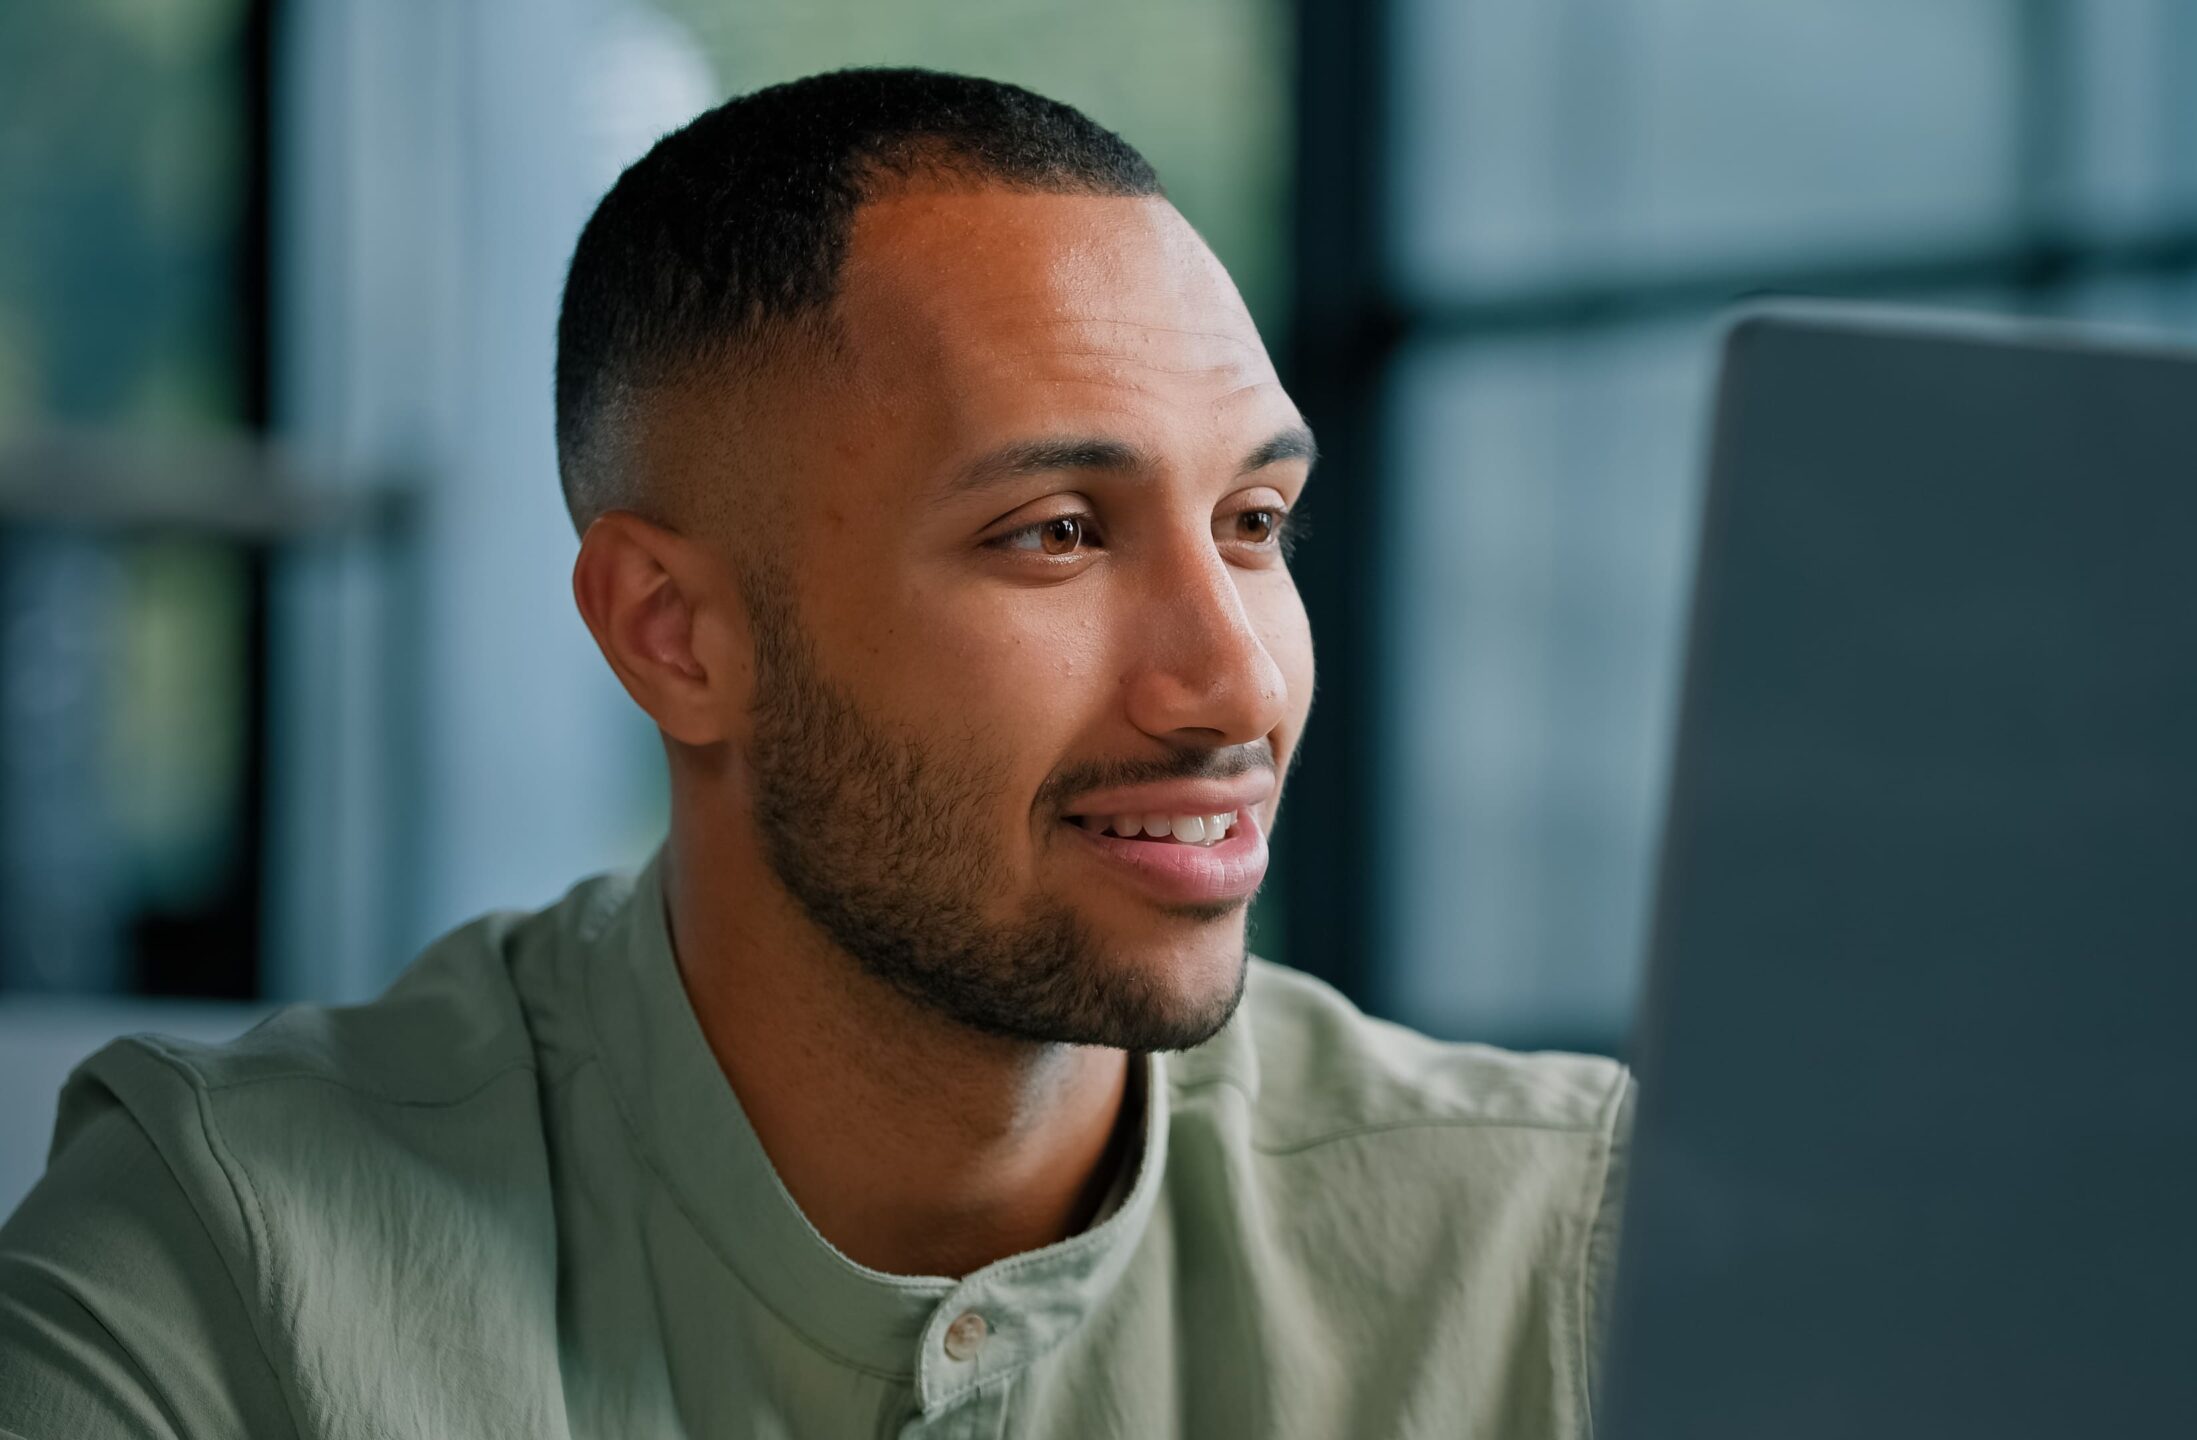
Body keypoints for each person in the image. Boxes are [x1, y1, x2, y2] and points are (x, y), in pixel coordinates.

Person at [0, 68, 1630, 1439]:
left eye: (1255, 522)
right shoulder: (228, 1268)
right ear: (674, 633)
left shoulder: (1574, 1249)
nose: (1232, 681)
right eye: (1058, 533)